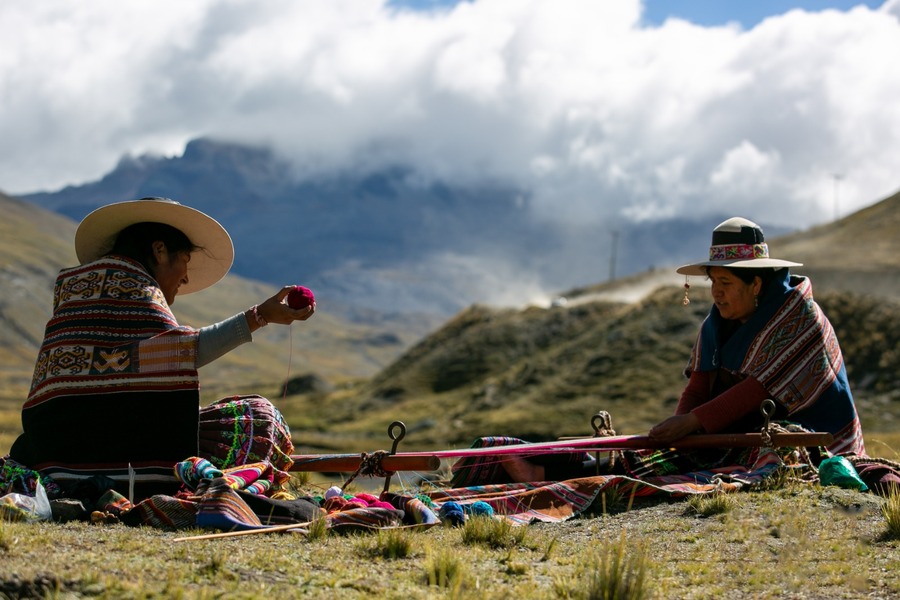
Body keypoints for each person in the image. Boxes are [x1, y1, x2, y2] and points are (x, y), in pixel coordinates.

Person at [491, 216, 865, 484]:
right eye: (713, 282)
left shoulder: (801, 319)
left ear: (756, 284)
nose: (716, 292)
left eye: (726, 282)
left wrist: (690, 424)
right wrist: (678, 432)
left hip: (813, 437)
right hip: (729, 432)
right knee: (666, 457)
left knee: (763, 459)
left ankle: (555, 475)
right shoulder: (715, 324)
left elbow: (757, 391)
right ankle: (552, 472)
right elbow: (699, 387)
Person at [4, 197, 315, 499]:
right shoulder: (136, 286)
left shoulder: (76, 288)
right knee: (260, 420)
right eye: (185, 260)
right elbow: (183, 352)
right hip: (135, 460)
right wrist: (259, 316)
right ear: (160, 250)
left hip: (54, 460)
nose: (186, 276)